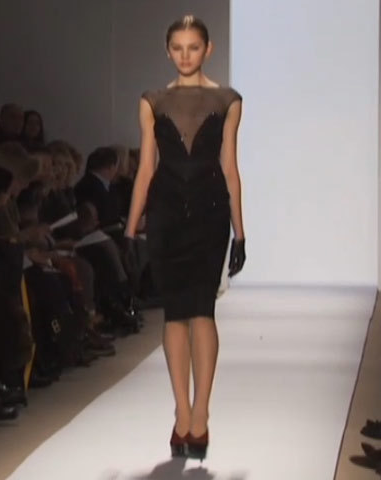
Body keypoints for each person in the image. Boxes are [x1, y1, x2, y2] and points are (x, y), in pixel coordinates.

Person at [124, 15, 246, 460]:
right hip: (166, 215)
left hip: (211, 215)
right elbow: (146, 169)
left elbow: (230, 167)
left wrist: (240, 232)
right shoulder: (152, 101)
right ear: (168, 50)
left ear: (207, 49)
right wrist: (130, 227)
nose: (185, 55)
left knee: (203, 311)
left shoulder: (228, 99)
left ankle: (202, 413)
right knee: (175, 313)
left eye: (193, 47)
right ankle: (181, 413)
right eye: (178, 48)